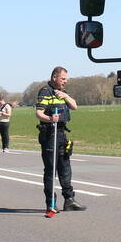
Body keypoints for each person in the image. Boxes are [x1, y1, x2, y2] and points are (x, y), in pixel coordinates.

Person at [36, 67, 86, 213]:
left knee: (65, 168)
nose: (66, 81)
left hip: (62, 134)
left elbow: (74, 106)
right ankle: (51, 203)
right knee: (51, 170)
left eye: (66, 78)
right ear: (54, 78)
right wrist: (50, 118)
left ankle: (69, 200)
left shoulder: (62, 93)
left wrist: (65, 96)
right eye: (63, 78)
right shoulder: (45, 92)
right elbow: (38, 113)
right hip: (50, 134)